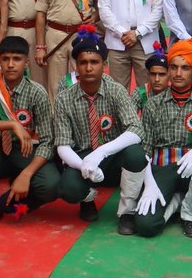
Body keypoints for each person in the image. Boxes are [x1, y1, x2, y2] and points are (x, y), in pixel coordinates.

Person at [53, 30, 146, 231]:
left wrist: (101, 153)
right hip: (83, 158)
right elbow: (62, 144)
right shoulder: (64, 98)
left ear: (105, 65)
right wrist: (84, 165)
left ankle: (127, 212)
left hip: (112, 155)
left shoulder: (116, 90)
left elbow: (136, 130)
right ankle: (87, 199)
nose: (88, 68)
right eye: (83, 62)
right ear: (76, 66)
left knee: (136, 155)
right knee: (68, 188)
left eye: (94, 62)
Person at [0, 35, 60, 230]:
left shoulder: (37, 92)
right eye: (6, 59)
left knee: (51, 185)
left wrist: (27, 174)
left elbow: (48, 141)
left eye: (16, 59)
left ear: (26, 63)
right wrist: (11, 125)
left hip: (25, 152)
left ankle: (8, 203)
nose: (10, 65)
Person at [134, 39, 192, 239]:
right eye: (173, 67)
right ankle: (176, 201)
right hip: (161, 168)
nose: (178, 73)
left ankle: (191, 214)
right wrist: (149, 184)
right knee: (146, 226)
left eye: (185, 68)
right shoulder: (154, 104)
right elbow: (145, 149)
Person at [133, 48, 170, 116]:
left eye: (162, 74)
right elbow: (130, 116)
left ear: (169, 76)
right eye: (153, 74)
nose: (157, 79)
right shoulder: (142, 92)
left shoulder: (174, 93)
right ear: (148, 75)